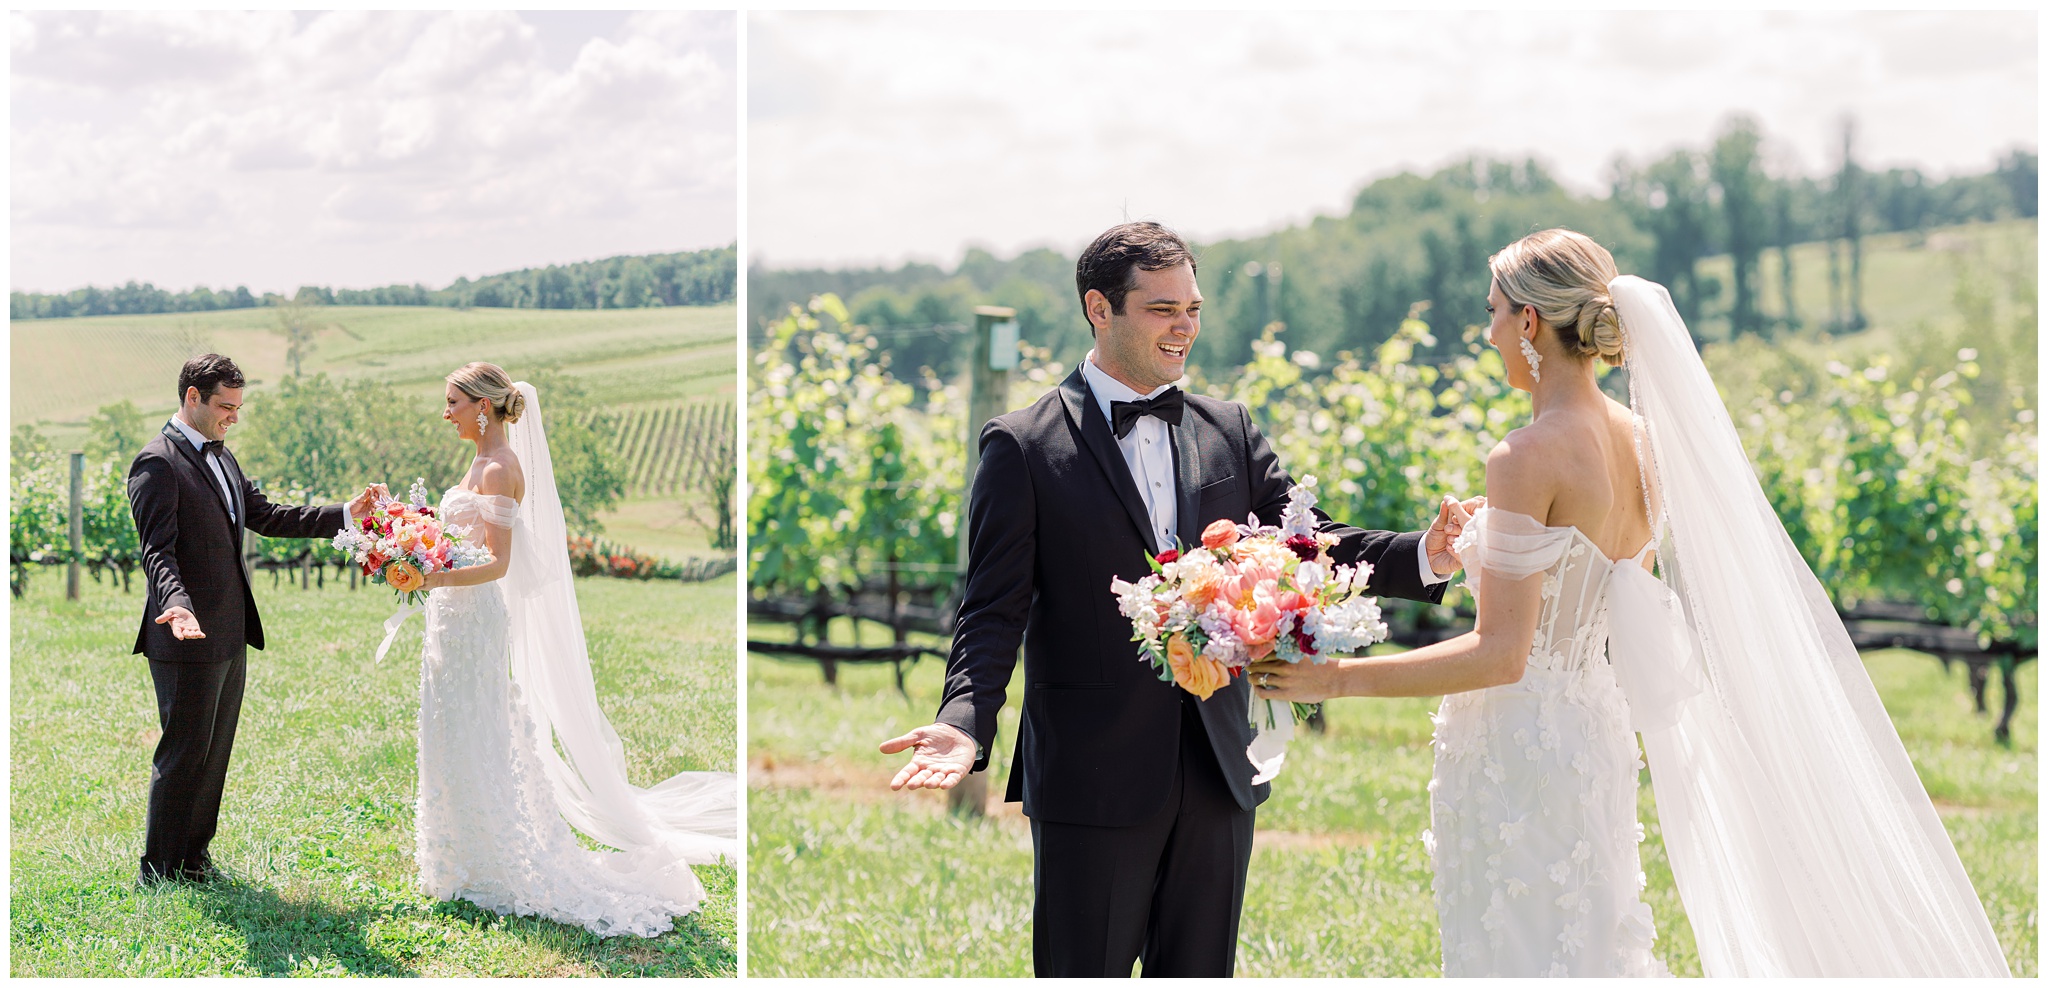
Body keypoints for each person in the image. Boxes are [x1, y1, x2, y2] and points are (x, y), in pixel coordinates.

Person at [1250, 229, 2010, 977]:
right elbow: (1597, 584)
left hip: (1518, 751)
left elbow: (1502, 654)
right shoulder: (1643, 441)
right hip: (1591, 733)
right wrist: (1469, 541)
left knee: (1518, 949)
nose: (1485, 334)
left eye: (1492, 314)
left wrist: (1337, 681)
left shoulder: (1525, 455)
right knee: (1587, 942)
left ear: (1528, 322)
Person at [879, 222, 1474, 976]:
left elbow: (1311, 541)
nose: (1184, 326)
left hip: (1219, 765)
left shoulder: (1228, 427)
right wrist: (964, 722)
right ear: (1100, 308)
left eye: (1193, 308)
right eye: (1162, 309)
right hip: (1092, 776)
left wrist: (1426, 553)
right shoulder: (1023, 446)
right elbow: (991, 612)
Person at [405, 362, 737, 937]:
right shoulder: (477, 460)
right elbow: (462, 541)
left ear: (482, 406)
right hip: (448, 618)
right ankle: (456, 855)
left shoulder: (502, 467)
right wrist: (413, 542)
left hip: (473, 617)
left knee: (477, 725)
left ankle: (493, 857)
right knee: (450, 725)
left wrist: (430, 579)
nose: (446, 412)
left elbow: (499, 563)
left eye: (453, 402)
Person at [128, 353, 380, 886]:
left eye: (238, 408)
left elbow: (268, 517)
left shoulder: (224, 456)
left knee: (214, 752)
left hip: (228, 629)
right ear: (192, 397)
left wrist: (346, 512)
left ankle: (194, 859)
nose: (233, 418)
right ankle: (159, 871)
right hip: (184, 629)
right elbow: (158, 550)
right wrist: (175, 603)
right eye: (225, 407)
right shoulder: (156, 463)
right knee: (184, 752)